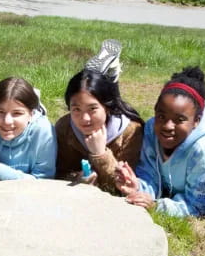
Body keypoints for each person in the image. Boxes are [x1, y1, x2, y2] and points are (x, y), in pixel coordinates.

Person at [115, 66, 205, 217]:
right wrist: (137, 187)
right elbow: (149, 175)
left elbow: (200, 206)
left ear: (197, 120)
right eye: (161, 116)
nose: (167, 126)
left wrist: (156, 207)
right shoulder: (152, 129)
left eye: (180, 119)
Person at [55, 39, 144, 193]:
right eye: (76, 109)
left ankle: (109, 74)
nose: (85, 119)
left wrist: (100, 154)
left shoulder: (131, 131)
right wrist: (77, 179)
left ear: (107, 107)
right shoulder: (64, 128)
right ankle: (106, 73)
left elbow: (124, 188)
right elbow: (57, 174)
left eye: (92, 109)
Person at [0, 77, 57, 189]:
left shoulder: (43, 131)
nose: (7, 121)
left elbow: (44, 182)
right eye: (0, 112)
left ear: (31, 113)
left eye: (17, 113)